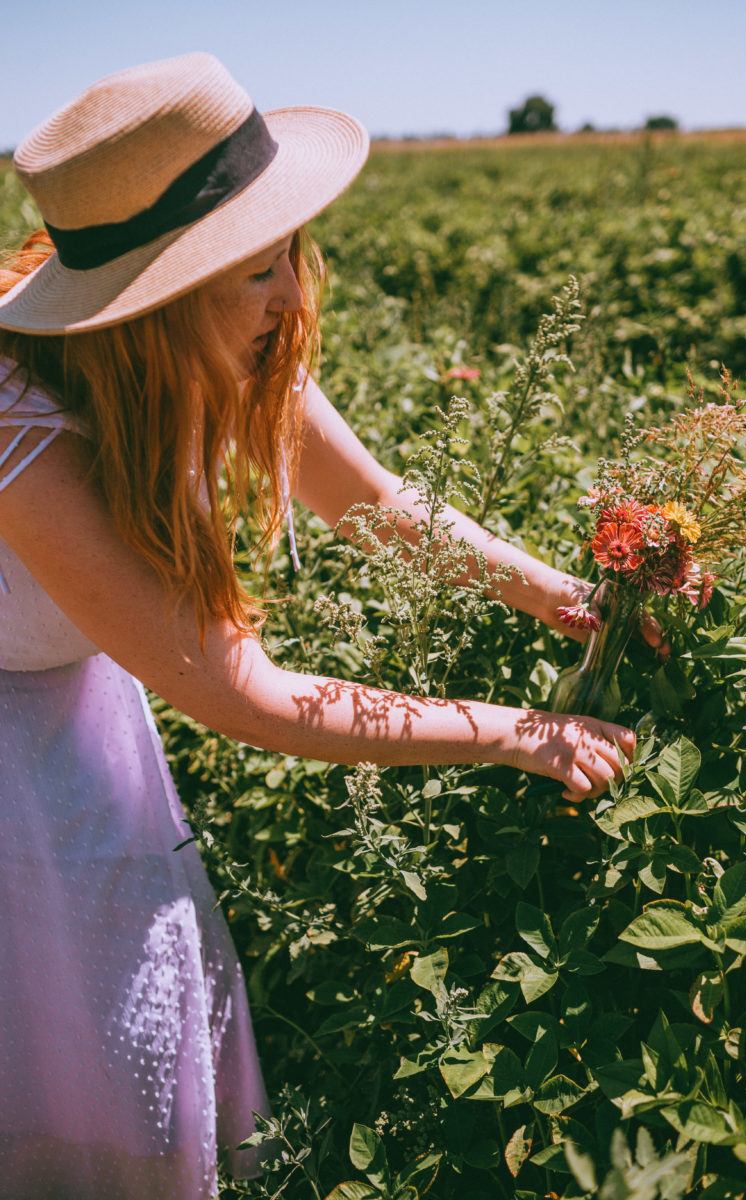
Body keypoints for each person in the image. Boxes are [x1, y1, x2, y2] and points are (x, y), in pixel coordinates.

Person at [0, 51, 655, 1200]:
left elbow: (379, 506)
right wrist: (516, 731)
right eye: (256, 268)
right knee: (62, 1051)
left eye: (285, 250)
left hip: (69, 694)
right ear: (155, 302)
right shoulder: (27, 447)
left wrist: (568, 598)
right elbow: (242, 693)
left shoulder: (224, 339)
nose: (292, 295)